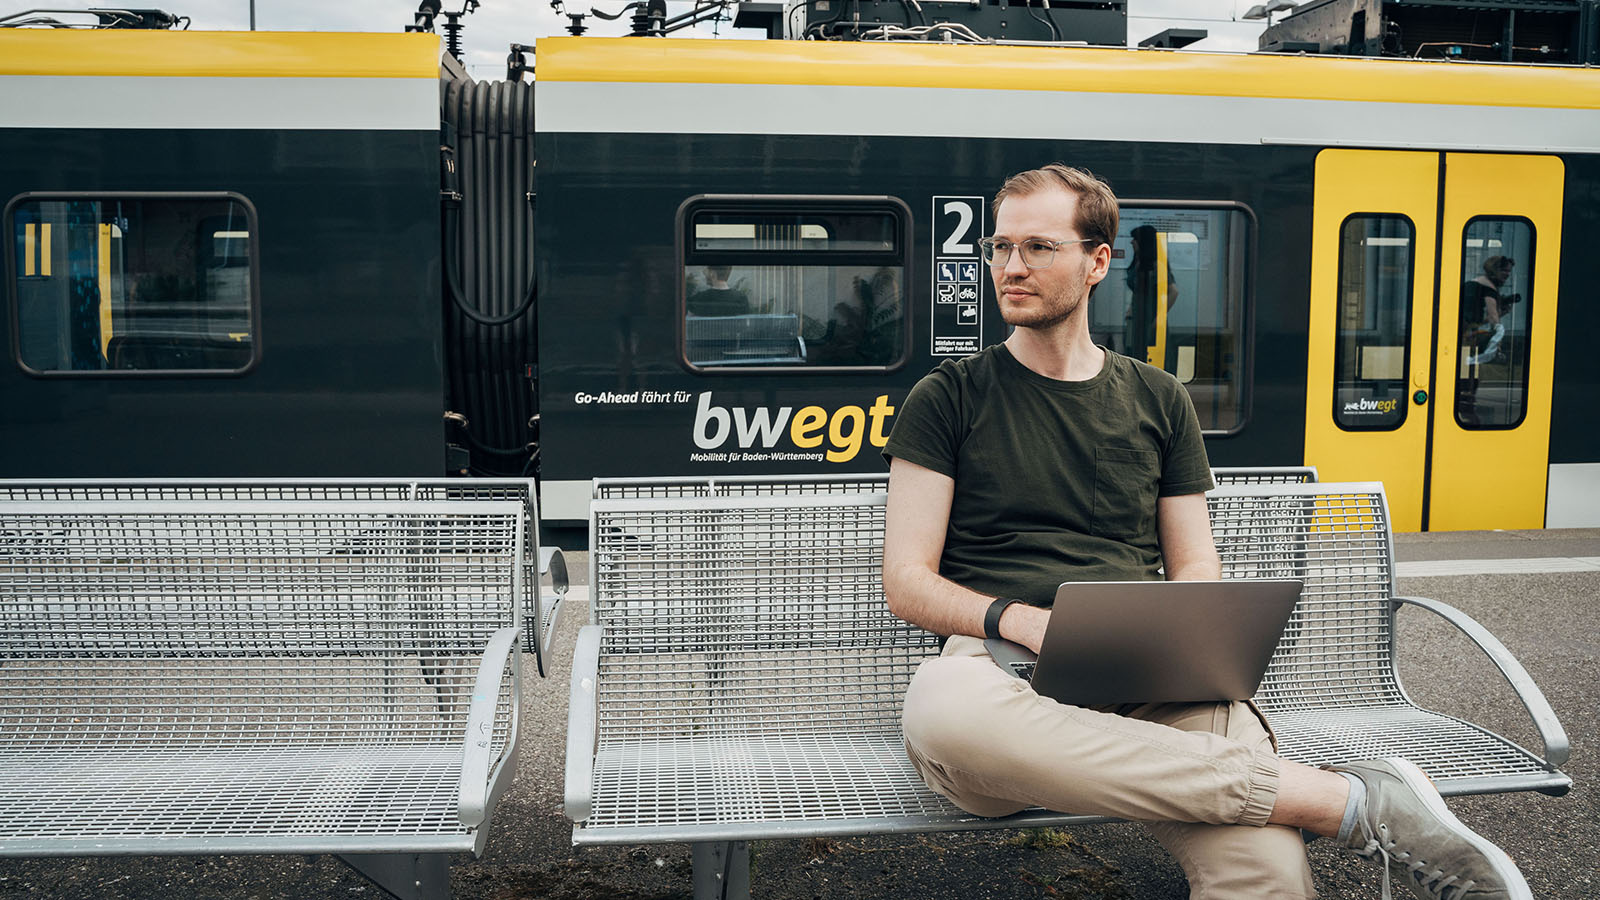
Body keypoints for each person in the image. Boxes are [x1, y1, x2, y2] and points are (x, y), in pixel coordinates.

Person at [881, 163, 1531, 900]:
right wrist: (1019, 620)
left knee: (1267, 877)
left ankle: (1300, 795)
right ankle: (1345, 804)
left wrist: (1179, 641)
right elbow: (906, 581)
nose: (1010, 267)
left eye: (1038, 247)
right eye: (1000, 247)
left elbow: (1195, 566)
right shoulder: (948, 396)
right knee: (944, 710)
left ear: (1097, 262)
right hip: (998, 676)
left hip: (1145, 675)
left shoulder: (1158, 398)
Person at [685, 265, 751, 317]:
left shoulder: (698, 299)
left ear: (712, 273)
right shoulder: (741, 299)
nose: (704, 273)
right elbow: (746, 324)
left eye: (706, 270)